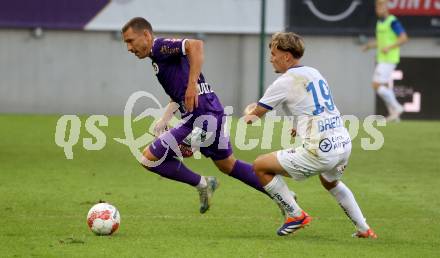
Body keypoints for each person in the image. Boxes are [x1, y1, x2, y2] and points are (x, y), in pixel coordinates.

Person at [121, 17, 267, 214]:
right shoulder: (157, 58)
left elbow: (196, 45)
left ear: (146, 35)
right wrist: (165, 118)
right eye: (126, 43)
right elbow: (178, 95)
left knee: (150, 158)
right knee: (228, 165)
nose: (129, 48)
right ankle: (281, 193)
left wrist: (192, 86)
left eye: (130, 41)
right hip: (207, 113)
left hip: (201, 118)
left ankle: (202, 183)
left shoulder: (160, 47)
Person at [244, 32, 377, 238]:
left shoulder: (284, 81)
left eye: (273, 53)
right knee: (330, 182)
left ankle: (295, 214)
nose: (271, 58)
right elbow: (318, 106)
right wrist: (300, 124)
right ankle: (364, 229)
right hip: (342, 142)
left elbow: (253, 118)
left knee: (260, 166)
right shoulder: (314, 72)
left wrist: (248, 112)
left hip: (320, 150)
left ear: (287, 56)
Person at [363, 0, 409, 122]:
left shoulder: (392, 21)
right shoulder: (380, 23)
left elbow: (404, 38)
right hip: (382, 58)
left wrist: (389, 47)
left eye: (381, 5)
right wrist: (369, 46)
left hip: (389, 58)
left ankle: (397, 108)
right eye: (377, 6)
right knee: (383, 86)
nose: (378, 9)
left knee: (376, 85)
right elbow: (381, 42)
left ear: (386, 6)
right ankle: (395, 114)